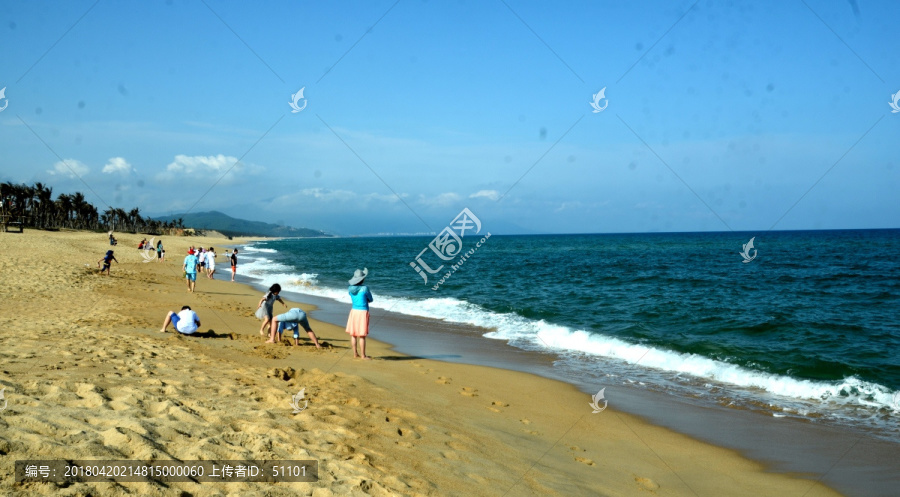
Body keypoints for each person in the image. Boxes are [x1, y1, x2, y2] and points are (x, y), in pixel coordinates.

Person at [346, 268, 373, 359]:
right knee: (362, 335)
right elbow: (371, 299)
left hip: (354, 311)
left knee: (353, 334)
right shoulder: (365, 288)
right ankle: (363, 355)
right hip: (363, 312)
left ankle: (355, 354)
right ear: (362, 279)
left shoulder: (350, 289)